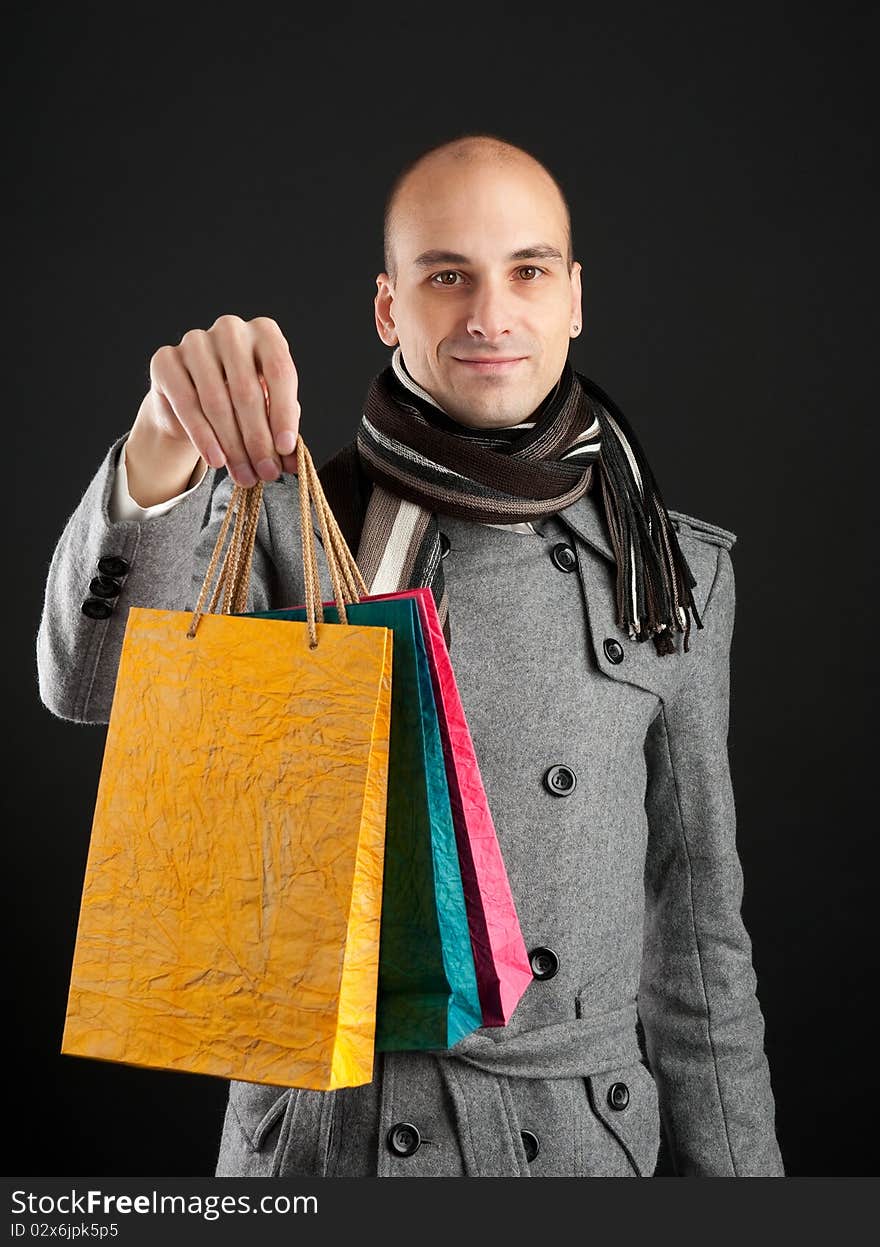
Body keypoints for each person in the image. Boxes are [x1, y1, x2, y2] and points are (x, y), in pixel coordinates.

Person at [36, 131, 785, 1177]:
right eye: (447, 276)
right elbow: (87, 684)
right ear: (390, 306)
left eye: (526, 270)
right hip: (330, 1146)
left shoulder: (673, 572)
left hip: (577, 1152)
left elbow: (700, 929)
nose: (489, 312)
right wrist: (160, 444)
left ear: (573, 297)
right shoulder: (288, 525)